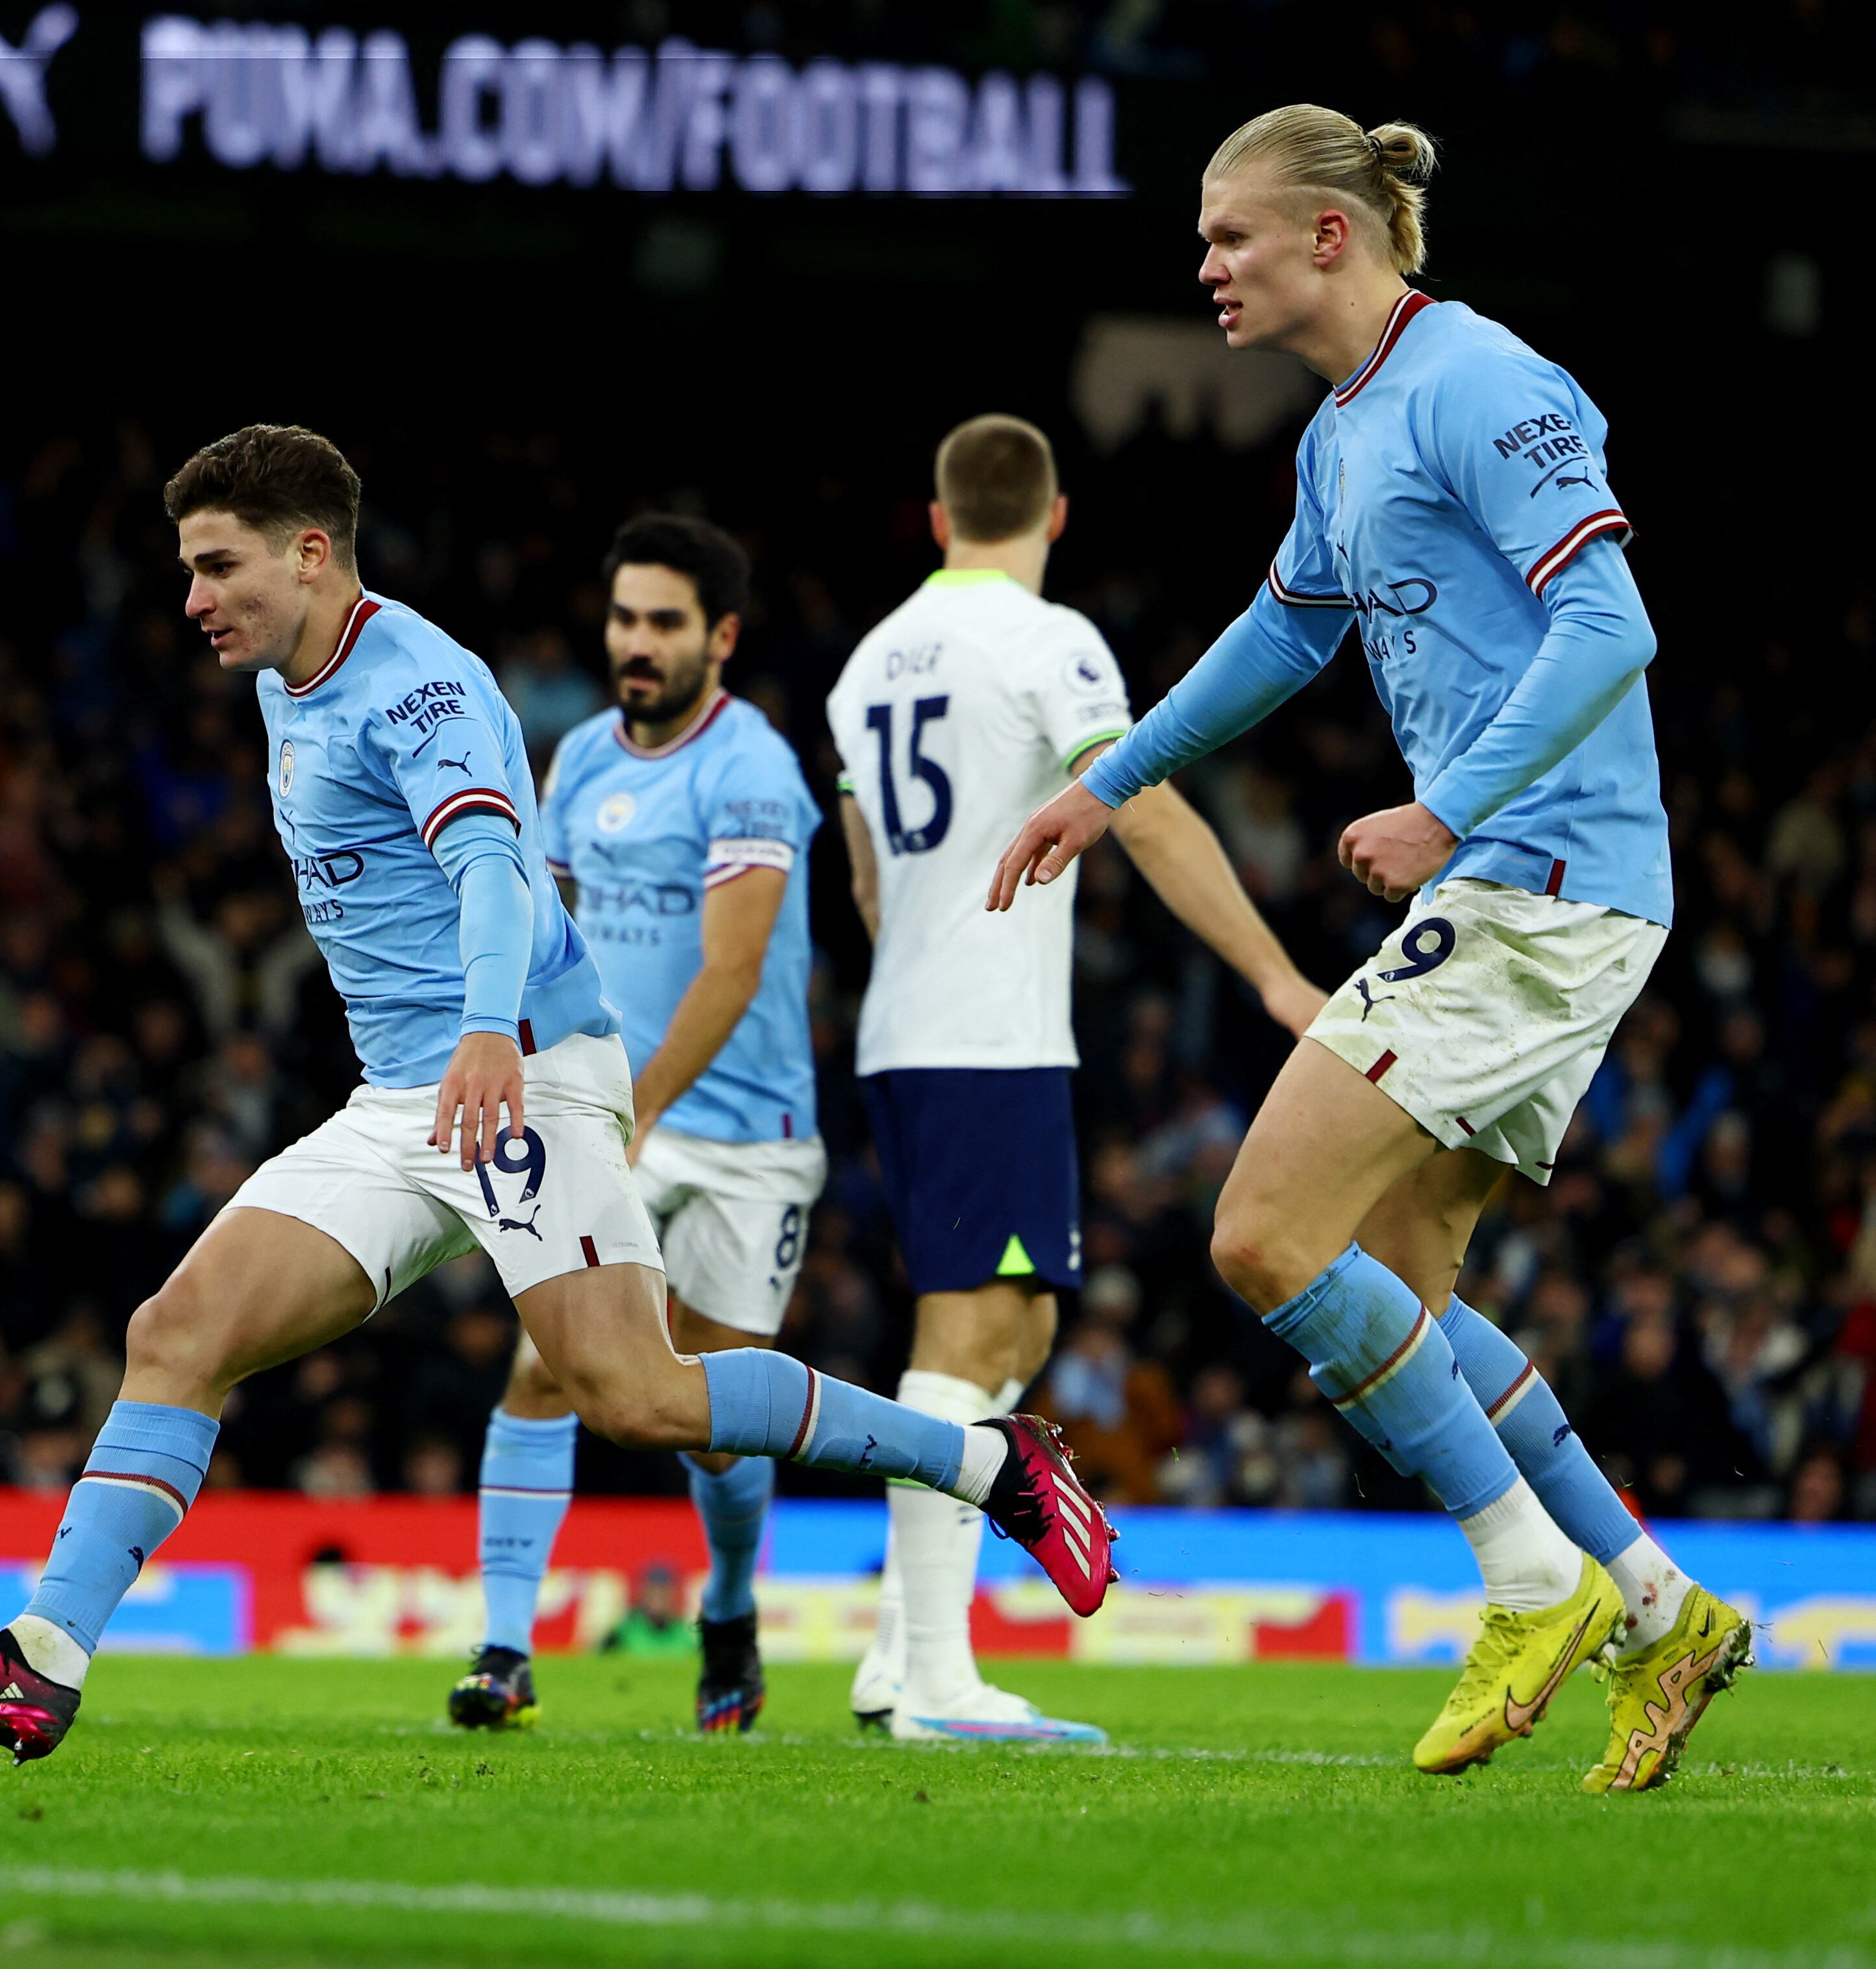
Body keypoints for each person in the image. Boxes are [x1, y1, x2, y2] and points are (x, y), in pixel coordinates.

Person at [0, 425, 1119, 1766]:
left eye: (218, 567)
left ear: (311, 553)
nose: (193, 599)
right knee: (175, 1331)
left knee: (634, 1393)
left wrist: (485, 1028)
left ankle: (990, 1465)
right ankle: (40, 1661)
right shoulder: (288, 677)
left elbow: (496, 870)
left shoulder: (420, 686)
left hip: (522, 1075)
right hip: (405, 1097)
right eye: (188, 570)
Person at [994, 107, 1747, 1792]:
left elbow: (1611, 622)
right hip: (1508, 881)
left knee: (1261, 1237)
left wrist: (1448, 805)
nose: (1204, 267)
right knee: (1396, 1306)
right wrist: (1109, 787)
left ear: (1329, 238)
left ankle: (1528, 1581)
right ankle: (1656, 1603)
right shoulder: (1342, 430)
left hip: (1539, 880)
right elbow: (1284, 627)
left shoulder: (1481, 381)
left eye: (1228, 237)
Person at [827, 415, 1322, 1746]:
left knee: (1021, 1331)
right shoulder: (1051, 643)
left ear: (938, 522)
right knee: (971, 1338)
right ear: (1054, 518)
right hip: (982, 1034)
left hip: (912, 1026)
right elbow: (1142, 803)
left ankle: (893, 1653)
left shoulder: (869, 661)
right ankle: (934, 1679)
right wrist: (1276, 977)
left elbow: (867, 868)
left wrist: (921, 966)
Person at [450, 515, 826, 1737]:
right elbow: (548, 930)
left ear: (719, 636)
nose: (637, 643)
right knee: (545, 1361)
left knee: (711, 1418)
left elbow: (731, 970)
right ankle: (503, 1650)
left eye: (665, 622)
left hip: (745, 1130)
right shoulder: (578, 761)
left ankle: (726, 1603)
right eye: (624, 619)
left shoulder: (752, 770)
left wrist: (646, 1103)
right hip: (611, 1115)